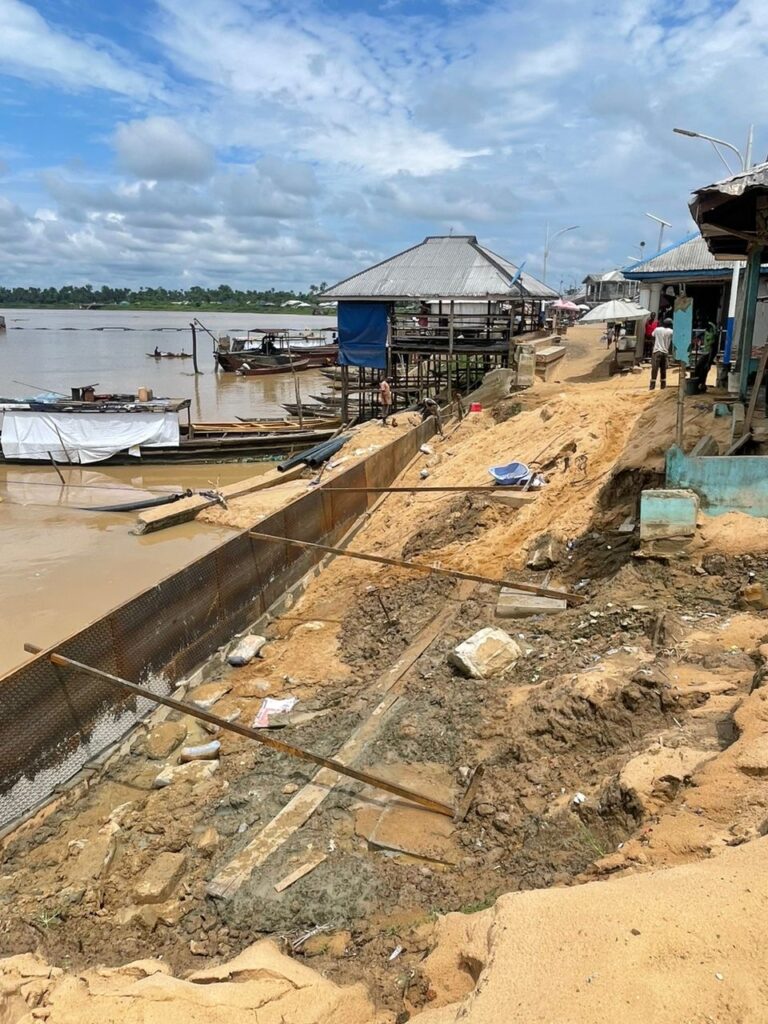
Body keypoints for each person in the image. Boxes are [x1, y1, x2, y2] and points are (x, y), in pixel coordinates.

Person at [650, 317, 673, 390]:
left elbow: (652, 335)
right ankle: (663, 387)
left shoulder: (657, 329)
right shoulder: (671, 331)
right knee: (663, 370)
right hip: (665, 352)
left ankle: (652, 386)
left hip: (657, 351)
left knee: (654, 369)